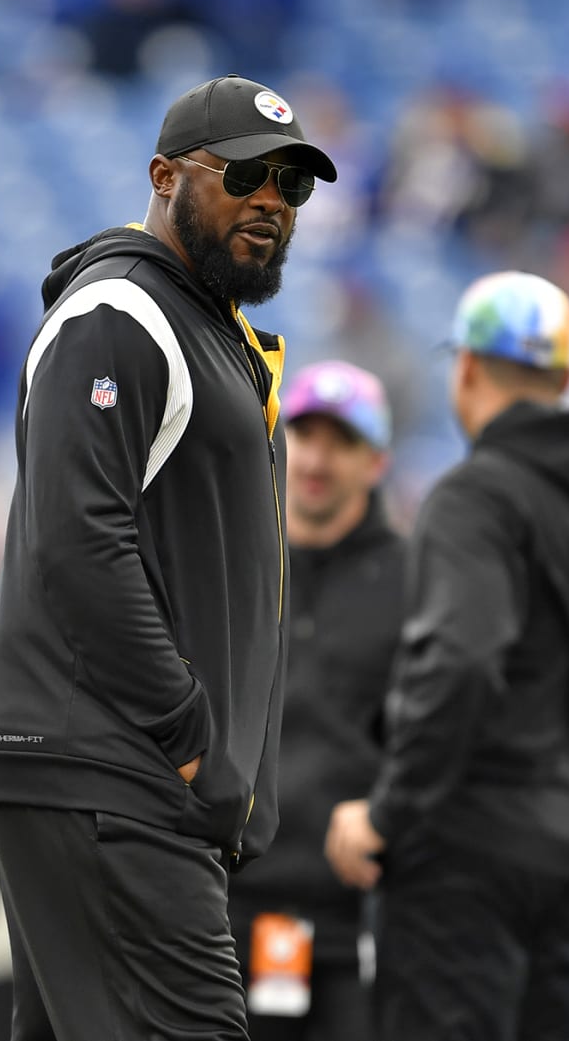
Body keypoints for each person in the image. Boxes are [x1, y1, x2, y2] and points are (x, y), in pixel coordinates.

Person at [0, 74, 339, 1039]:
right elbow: (76, 540)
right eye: (247, 174)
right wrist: (188, 729)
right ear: (165, 175)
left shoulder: (211, 334)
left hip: (112, 768)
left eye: (291, 187)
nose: (270, 202)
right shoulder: (119, 314)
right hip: (109, 764)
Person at [325, 271, 569, 1041]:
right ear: (564, 379)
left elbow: (459, 660)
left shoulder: (474, 497)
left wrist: (389, 811)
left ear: (464, 369)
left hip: (461, 865)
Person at [228, 360, 404, 1041]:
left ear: (377, 459)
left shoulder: (416, 580)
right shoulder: (231, 563)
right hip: (228, 910)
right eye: (305, 434)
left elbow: (435, 734)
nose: (317, 457)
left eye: (342, 440)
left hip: (353, 919)